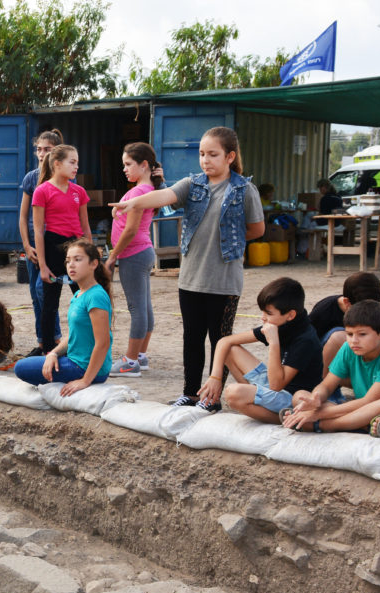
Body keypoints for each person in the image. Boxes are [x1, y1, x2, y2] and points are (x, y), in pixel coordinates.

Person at [112, 126, 265, 409]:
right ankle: (191, 394)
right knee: (192, 339)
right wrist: (132, 202)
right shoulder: (191, 184)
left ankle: (212, 398)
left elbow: (256, 228)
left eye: (213, 154)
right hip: (190, 280)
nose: (206, 160)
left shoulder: (245, 190)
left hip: (224, 282)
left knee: (220, 342)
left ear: (230, 156)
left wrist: (228, 237)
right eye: (202, 154)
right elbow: (164, 196)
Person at [196, 277, 322, 423]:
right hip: (276, 383)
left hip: (292, 397)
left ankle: (285, 417)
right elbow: (225, 341)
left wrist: (274, 343)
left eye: (269, 313)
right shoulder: (282, 323)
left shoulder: (305, 339)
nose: (263, 318)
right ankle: (254, 400)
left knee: (233, 394)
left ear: (290, 315)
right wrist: (215, 378)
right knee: (230, 350)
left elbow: (276, 386)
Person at [14, 240, 112, 394]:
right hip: (75, 361)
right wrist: (53, 353)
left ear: (94, 264)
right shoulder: (79, 294)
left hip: (85, 368)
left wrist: (85, 380)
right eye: (68, 261)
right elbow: (74, 335)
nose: (71, 265)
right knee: (31, 364)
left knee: (21, 367)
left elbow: (103, 343)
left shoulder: (96, 296)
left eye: (77, 260)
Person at [283, 300, 380, 436]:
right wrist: (316, 399)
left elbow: (369, 400)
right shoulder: (348, 348)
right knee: (300, 396)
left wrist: (318, 414)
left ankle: (322, 425)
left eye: (362, 334)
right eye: (350, 334)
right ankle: (364, 425)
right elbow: (327, 385)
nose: (354, 341)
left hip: (377, 407)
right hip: (361, 412)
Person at [105, 142, 162, 378]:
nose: (125, 169)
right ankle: (139, 354)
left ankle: (130, 361)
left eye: (129, 164)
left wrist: (113, 255)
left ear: (144, 165)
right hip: (142, 252)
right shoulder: (149, 190)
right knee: (144, 307)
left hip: (133, 253)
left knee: (136, 308)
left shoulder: (139, 192)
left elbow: (130, 230)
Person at [32, 145, 91, 353]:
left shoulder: (79, 192)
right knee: (50, 304)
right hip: (53, 247)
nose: (76, 166)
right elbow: (38, 231)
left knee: (85, 299)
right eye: (72, 162)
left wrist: (91, 256)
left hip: (77, 247)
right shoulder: (42, 191)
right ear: (57, 164)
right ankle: (48, 350)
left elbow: (85, 226)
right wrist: (43, 265)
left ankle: (86, 345)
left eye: (77, 162)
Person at [18, 130, 64, 356]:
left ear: (56, 152)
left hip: (53, 245)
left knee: (45, 291)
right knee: (35, 295)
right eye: (39, 149)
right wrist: (26, 246)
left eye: (47, 149)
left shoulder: (63, 177)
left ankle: (55, 339)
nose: (41, 153)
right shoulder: (30, 178)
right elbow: (23, 216)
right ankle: (43, 341)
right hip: (33, 247)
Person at [309, 271, 380, 374]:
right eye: (364, 309)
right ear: (347, 302)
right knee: (341, 335)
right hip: (320, 362)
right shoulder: (324, 310)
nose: (370, 312)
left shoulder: (373, 312)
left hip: (352, 365)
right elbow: (305, 341)